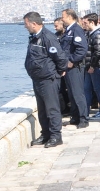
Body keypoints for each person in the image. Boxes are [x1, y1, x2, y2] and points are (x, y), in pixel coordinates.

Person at [23, 11, 68, 148]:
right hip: (37, 78)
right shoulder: (34, 37)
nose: (25, 27)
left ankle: (56, 136)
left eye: (26, 24)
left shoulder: (48, 37)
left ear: (34, 24)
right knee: (42, 110)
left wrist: (59, 71)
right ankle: (46, 134)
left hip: (48, 79)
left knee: (52, 108)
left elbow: (60, 58)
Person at [59, 9, 89, 129]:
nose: (62, 19)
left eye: (63, 17)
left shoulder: (76, 29)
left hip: (75, 67)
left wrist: (72, 61)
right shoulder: (69, 30)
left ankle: (83, 118)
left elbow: (82, 49)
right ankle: (75, 117)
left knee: (78, 94)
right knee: (71, 93)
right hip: (68, 67)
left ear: (70, 17)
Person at [81, 13, 100, 119]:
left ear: (92, 22)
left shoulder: (98, 35)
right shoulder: (91, 34)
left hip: (97, 66)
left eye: (86, 23)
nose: (84, 25)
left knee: (98, 89)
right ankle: (86, 111)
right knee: (87, 88)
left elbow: (98, 52)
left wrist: (92, 66)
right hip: (90, 66)